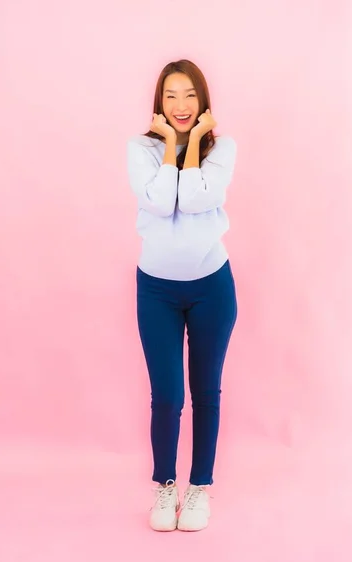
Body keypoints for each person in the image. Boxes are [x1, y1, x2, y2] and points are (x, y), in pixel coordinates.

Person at [126, 59, 238, 532]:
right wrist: (172, 143)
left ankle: (199, 489)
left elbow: (193, 199)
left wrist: (190, 144)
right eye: (171, 95)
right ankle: (165, 485)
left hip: (212, 285)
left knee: (205, 393)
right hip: (156, 290)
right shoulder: (140, 149)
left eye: (189, 94)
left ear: (203, 100)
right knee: (168, 395)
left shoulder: (223, 148)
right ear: (159, 103)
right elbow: (157, 201)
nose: (181, 105)